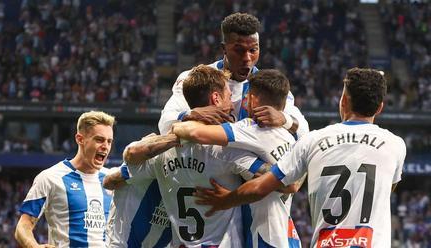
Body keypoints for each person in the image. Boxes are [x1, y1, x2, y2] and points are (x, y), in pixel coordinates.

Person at [194, 68, 407, 248]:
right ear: (380, 107)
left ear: (343, 101)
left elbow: (260, 188)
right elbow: (388, 188)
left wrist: (226, 200)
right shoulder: (395, 145)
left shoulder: (312, 141)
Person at [104, 65, 277, 247]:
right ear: (216, 99)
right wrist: (232, 197)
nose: (232, 104)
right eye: (228, 97)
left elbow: (112, 179)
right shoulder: (226, 150)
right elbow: (275, 179)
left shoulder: (162, 152)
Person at [172, 69, 304, 247]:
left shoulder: (250, 129)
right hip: (288, 236)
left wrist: (182, 118)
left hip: (265, 237)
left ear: (252, 99)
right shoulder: (292, 138)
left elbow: (194, 132)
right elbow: (293, 183)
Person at [158, 12, 309, 139]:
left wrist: (284, 119)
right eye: (239, 50)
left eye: (253, 50)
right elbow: (165, 124)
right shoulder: (195, 78)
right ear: (224, 49)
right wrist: (191, 114)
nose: (247, 58)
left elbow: (304, 131)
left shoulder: (269, 86)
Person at [15, 111, 115, 248]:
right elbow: (23, 225)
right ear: (80, 139)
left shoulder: (112, 179)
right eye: (99, 140)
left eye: (109, 141)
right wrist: (34, 246)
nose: (106, 146)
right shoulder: (50, 178)